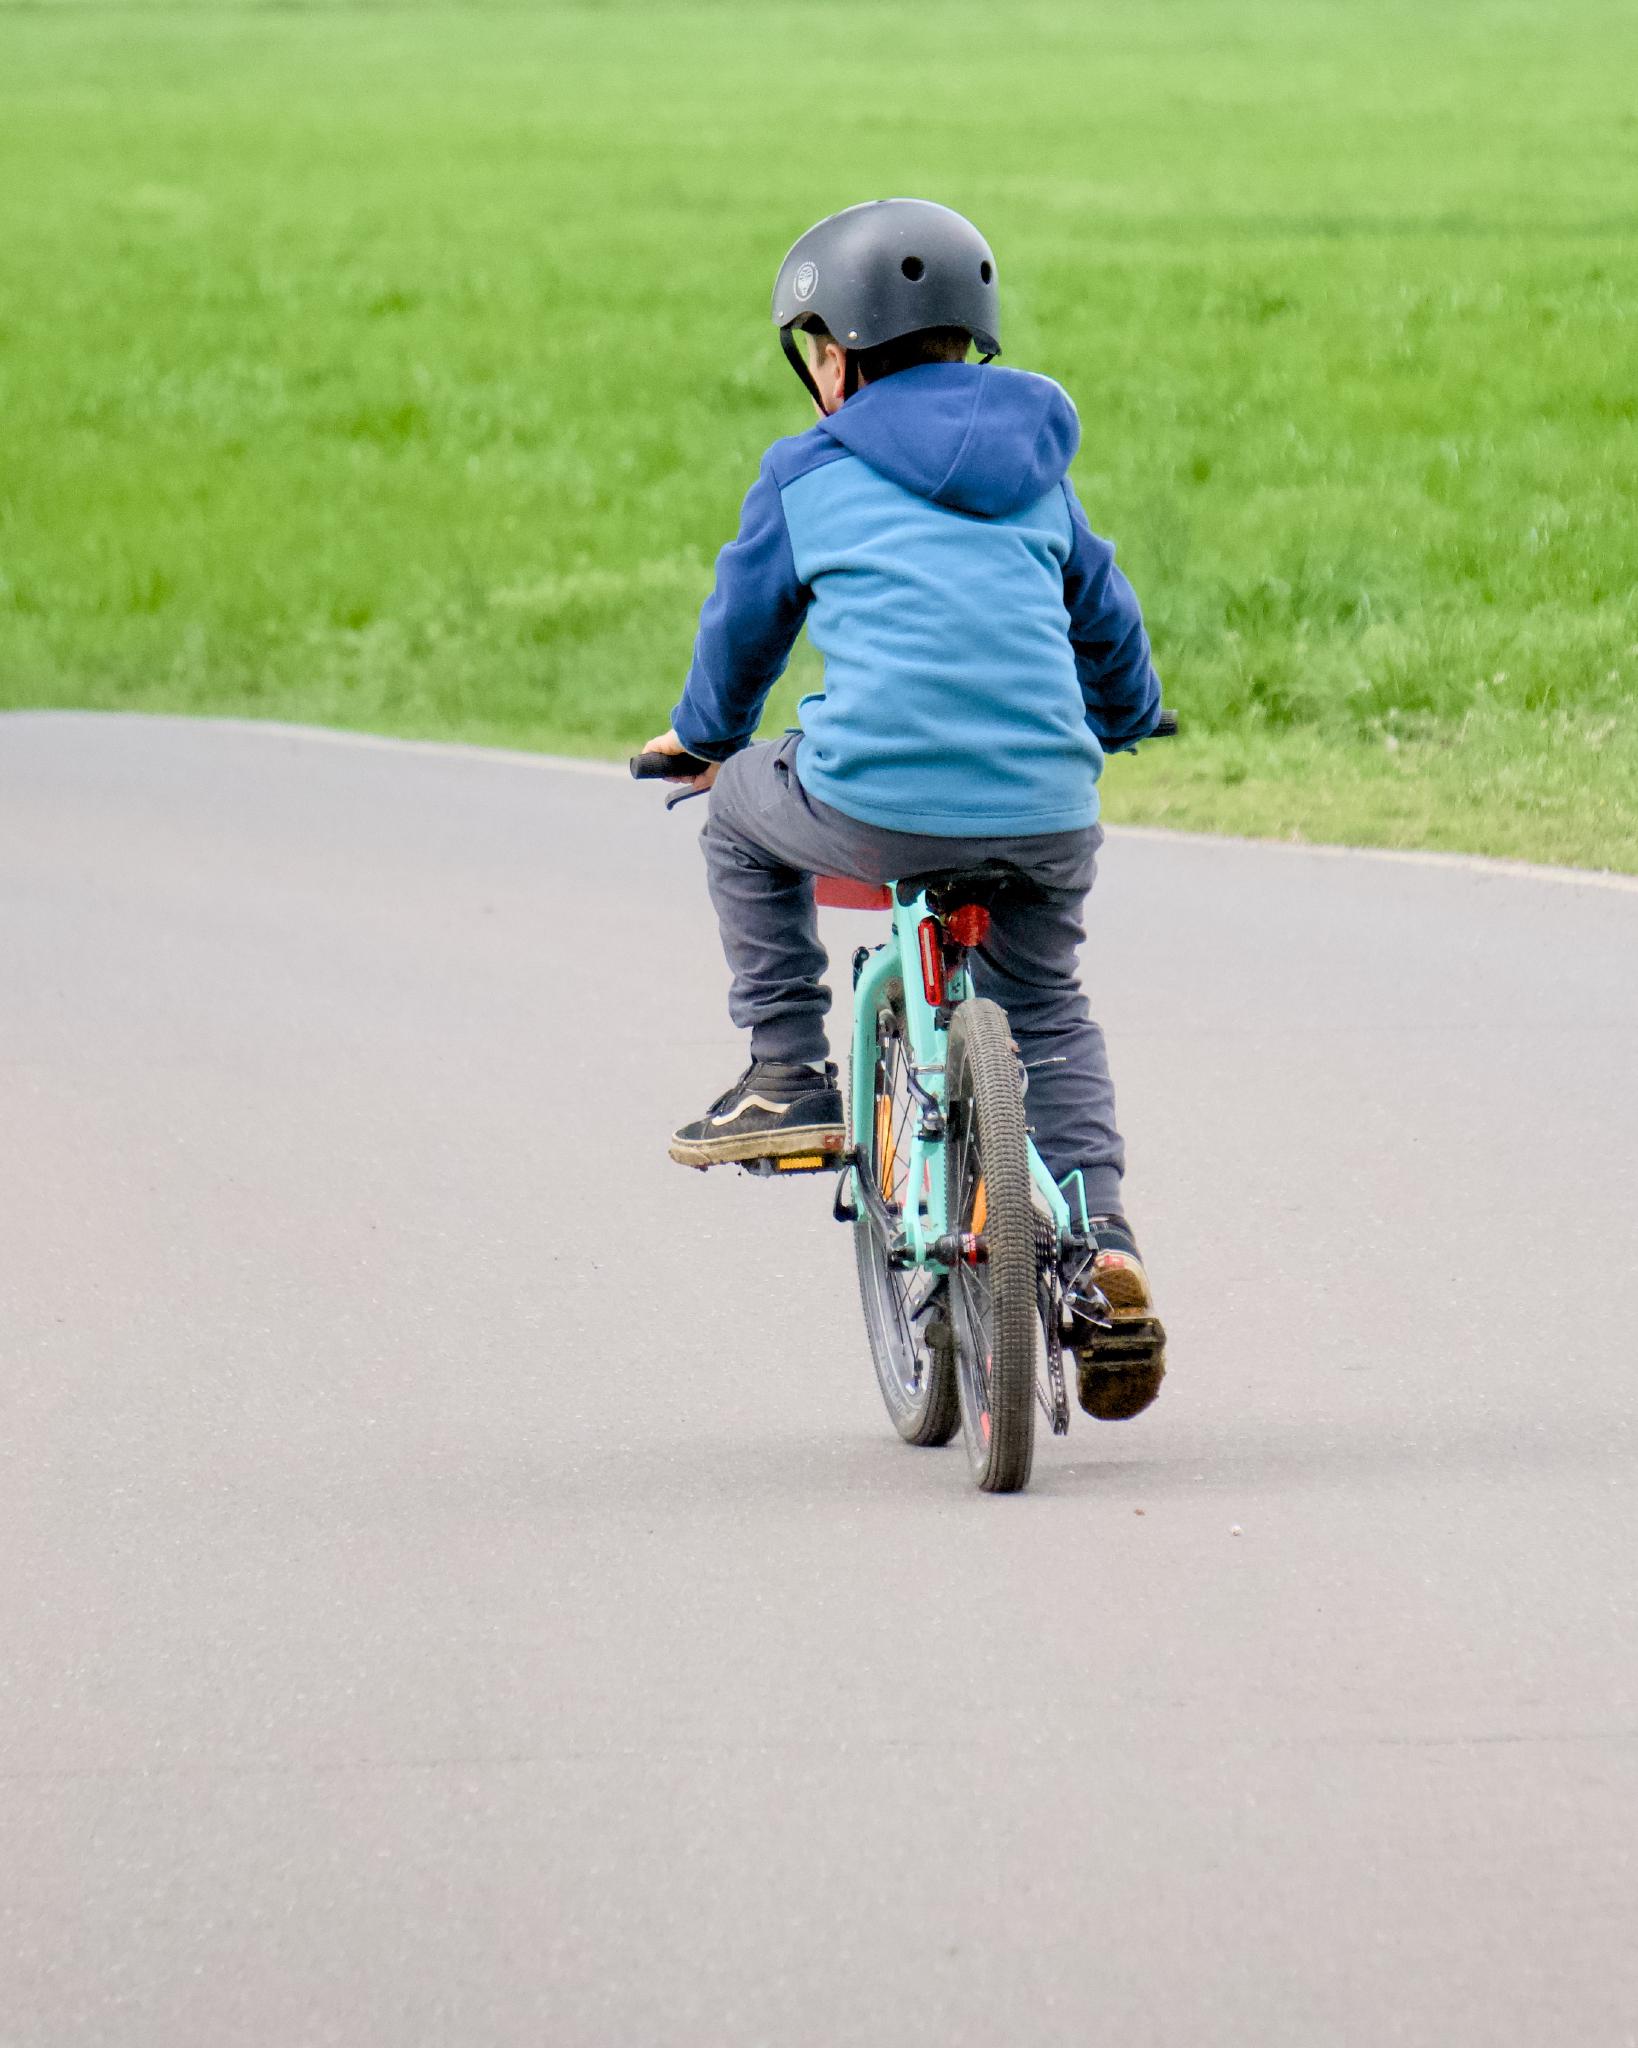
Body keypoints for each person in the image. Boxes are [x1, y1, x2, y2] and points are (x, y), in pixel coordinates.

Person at [642, 198, 1166, 1419]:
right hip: (1047, 804)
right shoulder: (1041, 469)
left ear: (833, 355)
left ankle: (786, 1071)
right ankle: (1107, 1249)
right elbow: (1108, 614)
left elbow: (745, 629)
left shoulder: (809, 469)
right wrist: (1128, 713)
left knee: (733, 815)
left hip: (873, 801)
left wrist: (705, 740)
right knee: (1047, 1006)